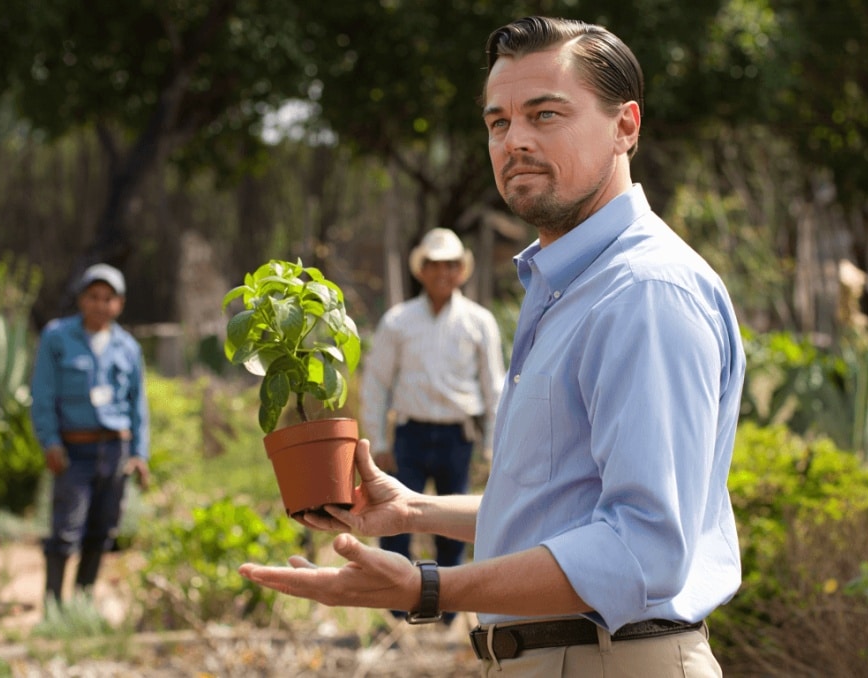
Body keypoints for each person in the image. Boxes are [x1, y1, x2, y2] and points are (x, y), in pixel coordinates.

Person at [239, 16, 745, 677]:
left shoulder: (644, 292)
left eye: (545, 114)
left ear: (626, 126)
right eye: (498, 122)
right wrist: (414, 509)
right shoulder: (568, 287)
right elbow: (562, 512)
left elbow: (640, 551)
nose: (515, 140)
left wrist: (429, 587)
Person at [359, 227, 505, 623]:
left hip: (458, 437)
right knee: (395, 521)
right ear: (422, 269)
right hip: (409, 436)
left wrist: (493, 445)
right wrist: (378, 441)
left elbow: (494, 387)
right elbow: (376, 383)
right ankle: (396, 613)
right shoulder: (398, 322)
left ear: (462, 271)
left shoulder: (479, 322)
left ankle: (447, 615)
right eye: (435, 264)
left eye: (451, 265)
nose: (443, 272)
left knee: (453, 527)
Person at [30, 263, 150, 608]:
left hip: (114, 450)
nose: (100, 304)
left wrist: (139, 453)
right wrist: (50, 442)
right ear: (82, 300)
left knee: (102, 531)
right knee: (65, 531)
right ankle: (54, 607)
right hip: (74, 450)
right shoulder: (57, 338)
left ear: (119, 304)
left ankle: (83, 602)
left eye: (108, 298)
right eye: (93, 296)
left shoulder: (128, 347)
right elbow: (43, 395)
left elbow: (138, 405)